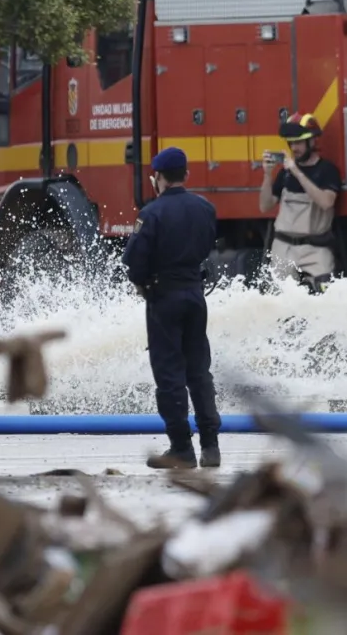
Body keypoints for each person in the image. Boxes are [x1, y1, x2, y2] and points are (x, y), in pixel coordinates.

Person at [121, 147, 222, 470]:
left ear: (157, 178)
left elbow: (134, 262)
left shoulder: (151, 214)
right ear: (186, 175)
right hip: (195, 293)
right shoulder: (205, 208)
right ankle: (211, 446)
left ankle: (181, 448)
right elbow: (208, 246)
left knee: (169, 375)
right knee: (199, 372)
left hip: (163, 298)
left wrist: (143, 284)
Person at [259, 113, 343, 294]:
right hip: (284, 246)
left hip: (316, 248)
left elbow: (326, 202)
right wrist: (267, 175)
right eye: (291, 143)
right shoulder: (285, 173)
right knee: (281, 305)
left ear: (312, 142)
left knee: (325, 297)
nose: (294, 148)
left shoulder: (327, 171)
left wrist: (297, 173)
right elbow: (265, 206)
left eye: (298, 143)